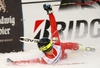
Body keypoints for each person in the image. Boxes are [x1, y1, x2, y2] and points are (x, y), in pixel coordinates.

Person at [7, 4, 79, 64]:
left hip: (62, 49)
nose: (52, 50)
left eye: (51, 47)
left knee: (70, 45)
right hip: (62, 57)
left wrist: (50, 12)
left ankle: (81, 47)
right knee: (65, 55)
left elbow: (53, 26)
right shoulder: (45, 60)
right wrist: (14, 62)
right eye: (49, 49)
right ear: (44, 51)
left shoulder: (56, 43)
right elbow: (30, 61)